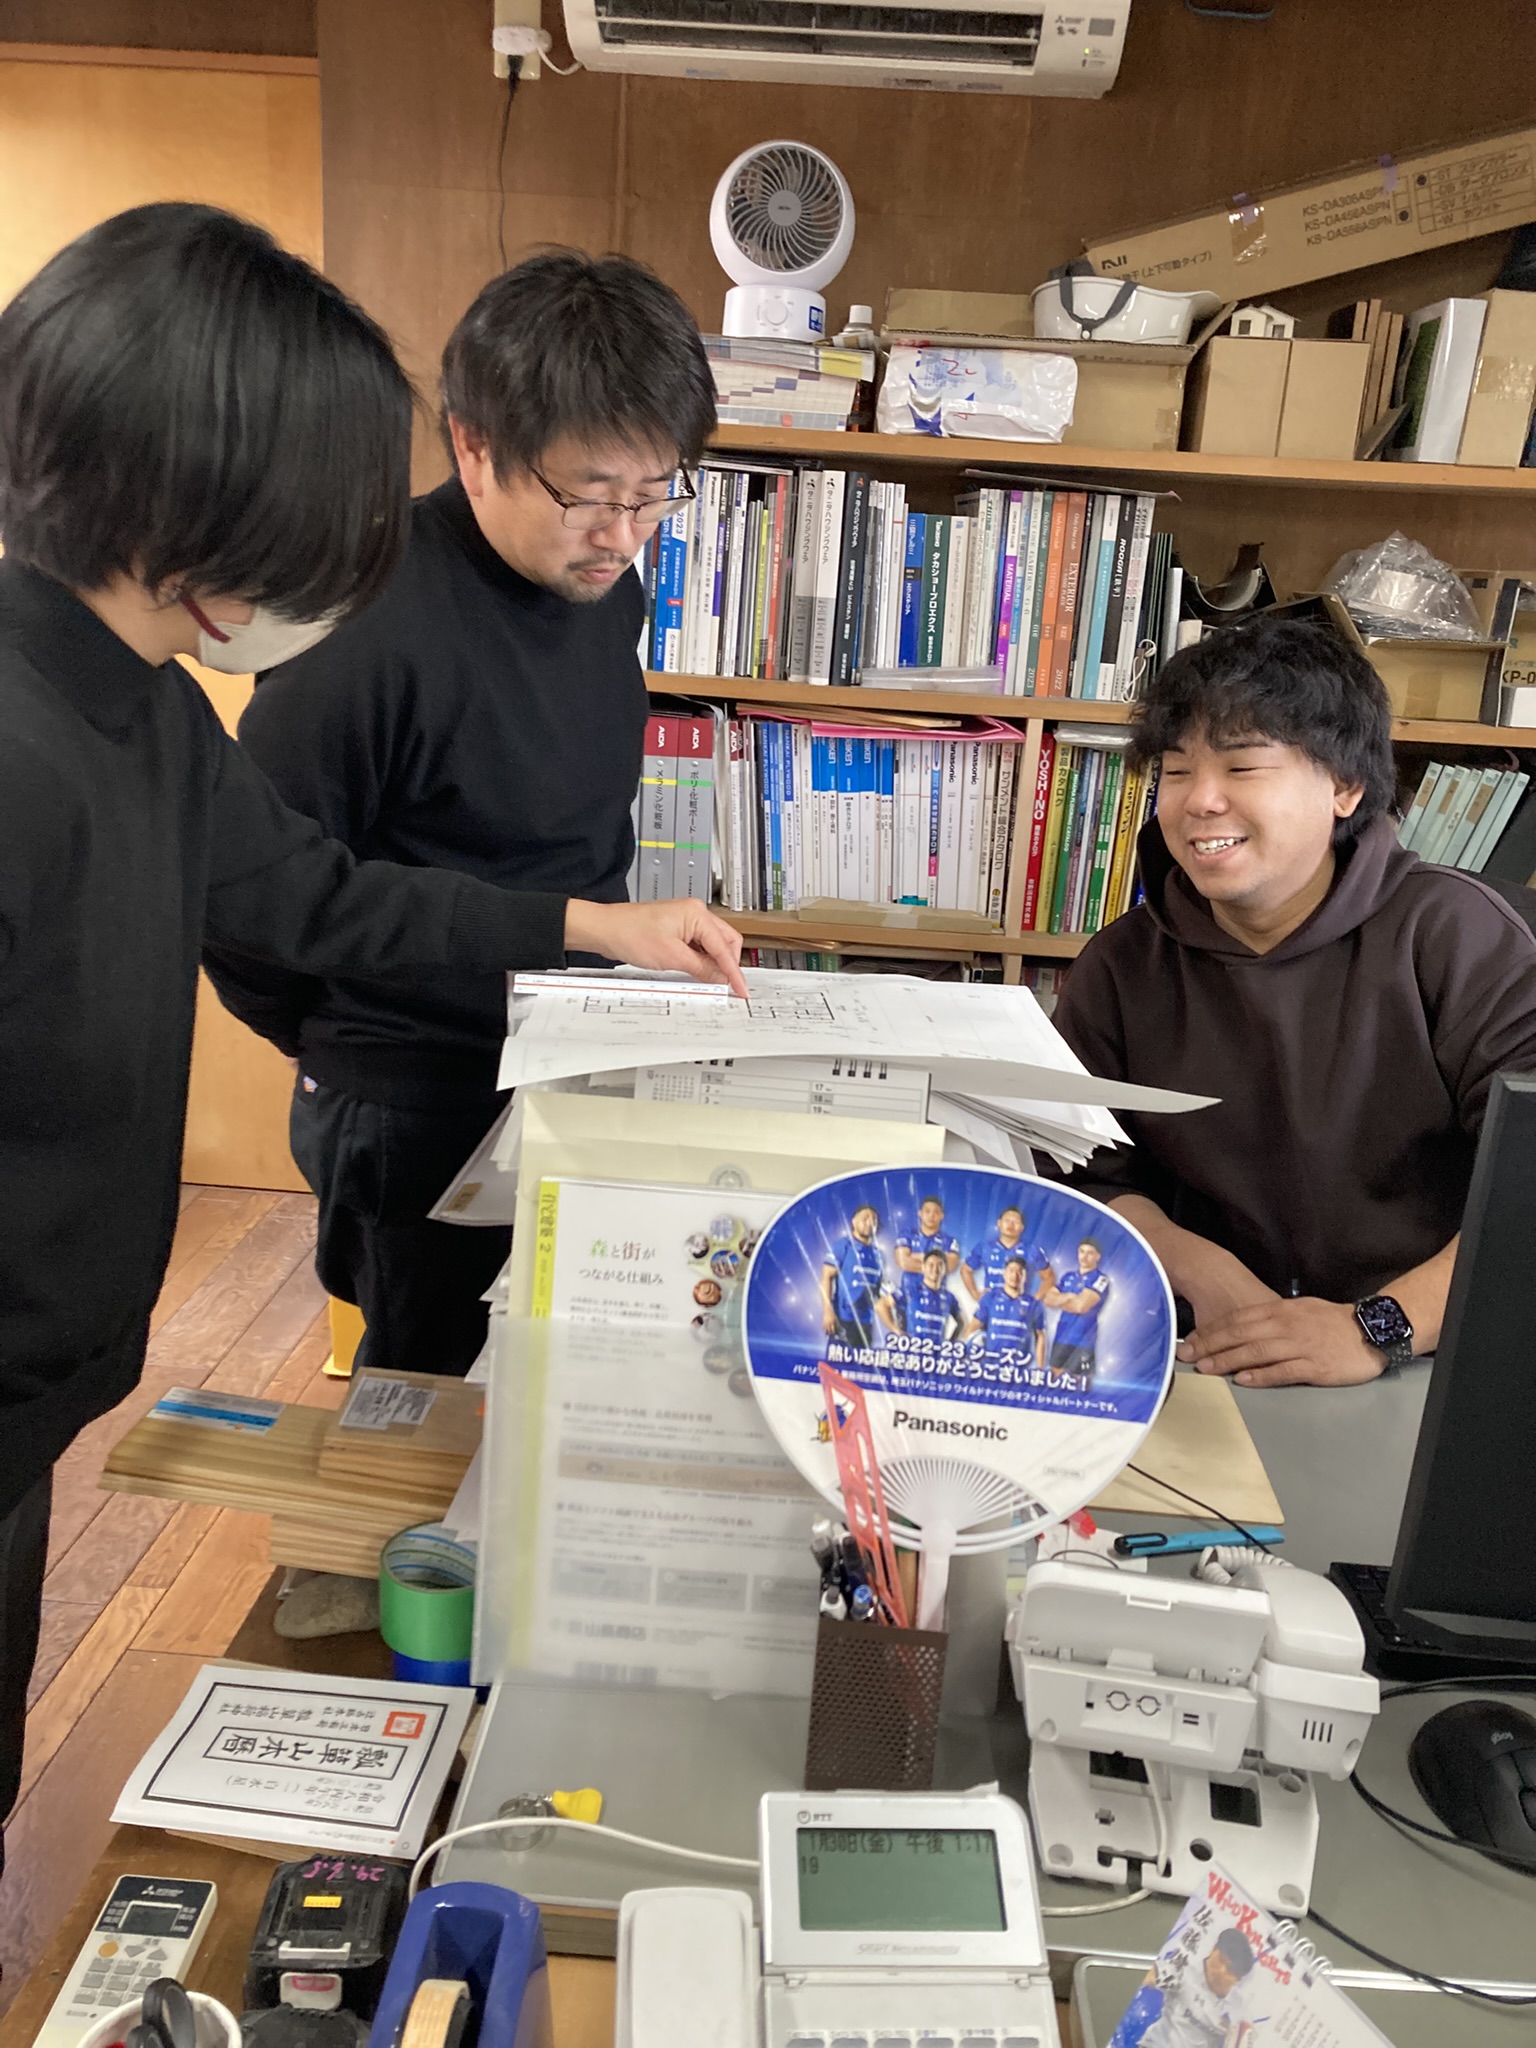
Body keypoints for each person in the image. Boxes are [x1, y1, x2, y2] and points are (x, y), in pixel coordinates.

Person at [0, 204, 743, 1872]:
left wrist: (587, 927)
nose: (342, 556)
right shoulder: (27, 741)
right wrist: (348, 1065)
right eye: (321, 508)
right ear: (195, 496)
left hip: (39, 1376)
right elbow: (299, 941)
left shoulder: (147, 705)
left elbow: (320, 897)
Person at [204, 249, 722, 1378]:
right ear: (473, 446)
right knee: (423, 1407)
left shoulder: (607, 588)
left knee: (552, 1389)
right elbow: (244, 904)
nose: (623, 534)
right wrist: (344, 1052)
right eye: (589, 495)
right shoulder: (360, 627)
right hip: (411, 1100)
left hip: (566, 1057)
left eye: (653, 494)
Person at [1054, 616, 1536, 1388]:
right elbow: (1080, 1174)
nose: (1199, 801)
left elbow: (1525, 1182)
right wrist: (1194, 1266)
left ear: (1345, 787)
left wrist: (1377, 1328)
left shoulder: (1459, 936)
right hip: (1207, 1353)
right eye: (1176, 772)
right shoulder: (1121, 964)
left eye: (1242, 767)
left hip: (1435, 1360)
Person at [1135, 1926, 1255, 2048]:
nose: (1221, 1971)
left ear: (1237, 1979)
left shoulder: (1238, 2012)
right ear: (1213, 1949)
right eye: (1221, 1960)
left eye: (1229, 1970)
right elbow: (1152, 1974)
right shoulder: (1184, 1973)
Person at [963, 1252, 1046, 1368]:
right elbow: (972, 1328)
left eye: (1019, 1272)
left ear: (1025, 1276)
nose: (1015, 1275)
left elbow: (1040, 1336)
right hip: (990, 1366)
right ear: (1004, 1274)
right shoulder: (990, 1298)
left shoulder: (1034, 1304)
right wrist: (963, 1357)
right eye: (1011, 1270)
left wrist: (1040, 1368)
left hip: (1018, 1368)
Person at [1042, 1239, 1111, 1379]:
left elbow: (1081, 1306)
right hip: (1061, 1338)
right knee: (1055, 1381)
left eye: (1090, 1253)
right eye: (1082, 1252)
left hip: (1083, 1341)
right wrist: (1070, 1296)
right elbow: (1048, 1300)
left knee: (1078, 1384)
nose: (1084, 1256)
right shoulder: (1068, 1277)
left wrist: (1061, 1301)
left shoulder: (1100, 1279)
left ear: (1097, 1256)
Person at [821, 1204, 887, 1349]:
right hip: (844, 1319)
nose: (869, 1223)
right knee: (839, 1361)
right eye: (865, 1218)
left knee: (861, 1362)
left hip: (866, 1322)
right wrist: (828, 1311)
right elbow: (826, 1277)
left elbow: (877, 1290)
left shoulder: (878, 1255)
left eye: (874, 1220)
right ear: (854, 1221)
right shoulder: (843, 1246)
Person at [960, 1204, 1051, 1303]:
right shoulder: (985, 1247)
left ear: (1022, 1227)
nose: (1011, 1225)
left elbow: (1049, 1276)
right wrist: (975, 1294)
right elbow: (966, 1270)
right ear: (999, 1223)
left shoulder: (1031, 1249)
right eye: (1007, 1221)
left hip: (1018, 1308)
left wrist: (1035, 1300)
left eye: (1016, 1222)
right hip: (991, 1305)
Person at [888, 1248, 967, 1345]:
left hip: (935, 1352)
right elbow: (881, 1306)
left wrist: (950, 1344)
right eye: (931, 1265)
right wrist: (897, 1331)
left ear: (944, 1269)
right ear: (923, 1267)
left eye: (940, 1265)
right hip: (912, 1350)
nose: (935, 1269)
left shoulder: (949, 1297)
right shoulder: (912, 1291)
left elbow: (962, 1322)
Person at [895, 1194, 961, 1275]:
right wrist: (936, 1263)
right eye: (927, 1211)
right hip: (908, 1284)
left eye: (936, 1212)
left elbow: (950, 1265)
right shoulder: (907, 1234)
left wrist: (914, 1257)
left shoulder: (949, 1241)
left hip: (937, 1284)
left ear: (942, 1216)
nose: (931, 1216)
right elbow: (902, 1261)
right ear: (920, 1213)